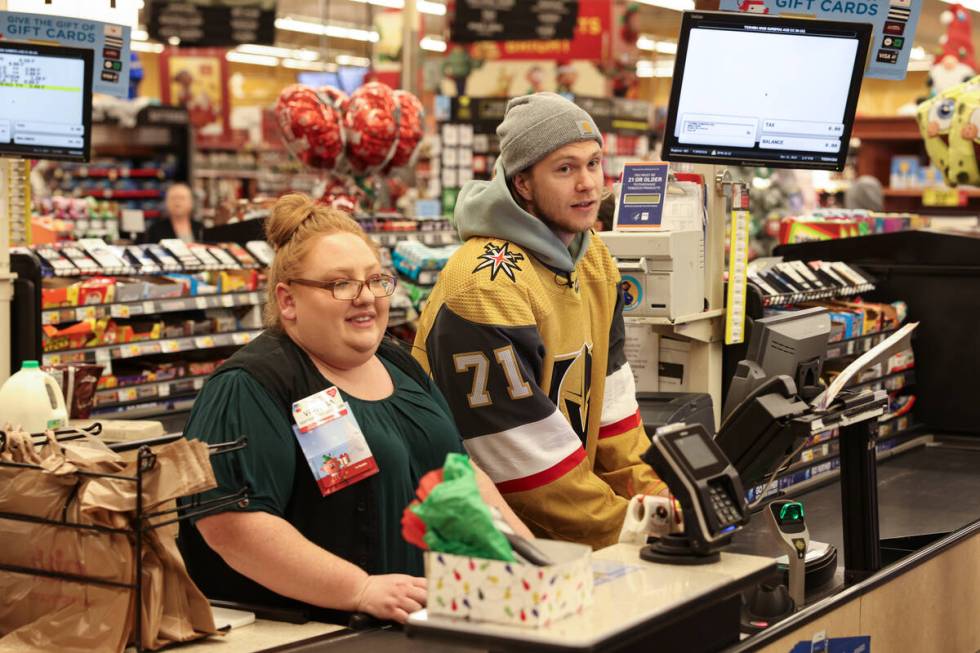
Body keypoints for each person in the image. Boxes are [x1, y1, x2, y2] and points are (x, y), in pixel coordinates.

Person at [178, 194, 530, 624]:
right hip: (316, 633)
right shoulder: (251, 386)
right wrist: (358, 589)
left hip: (429, 619)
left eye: (375, 280)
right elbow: (231, 526)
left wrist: (527, 555)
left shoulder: (399, 362)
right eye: (340, 284)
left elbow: (460, 475)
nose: (365, 297)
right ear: (287, 301)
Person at [413, 93, 670, 550]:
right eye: (565, 169)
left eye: (593, 164)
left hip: (570, 537)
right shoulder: (485, 285)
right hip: (490, 551)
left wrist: (660, 500)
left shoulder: (595, 261)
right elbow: (523, 466)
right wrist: (633, 530)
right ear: (524, 183)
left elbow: (613, 416)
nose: (588, 184)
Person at [139, 182, 204, 243]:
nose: (177, 202)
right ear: (166, 202)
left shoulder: (201, 228)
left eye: (182, 198)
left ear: (191, 203)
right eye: (173, 198)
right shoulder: (155, 230)